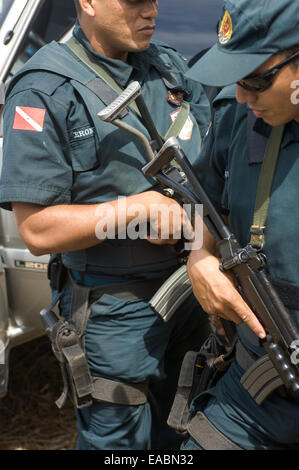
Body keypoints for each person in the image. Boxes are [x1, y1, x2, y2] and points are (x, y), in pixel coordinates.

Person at [0, 0, 211, 450]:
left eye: (154, 1)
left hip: (192, 293)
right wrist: (135, 210)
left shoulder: (169, 67)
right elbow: (38, 230)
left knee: (183, 432)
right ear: (89, 3)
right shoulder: (43, 90)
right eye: (135, 2)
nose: (151, 12)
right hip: (116, 313)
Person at [178, 0, 299, 450]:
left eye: (256, 79)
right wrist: (199, 257)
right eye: (237, 79)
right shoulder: (237, 113)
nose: (244, 95)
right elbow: (202, 201)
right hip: (254, 390)